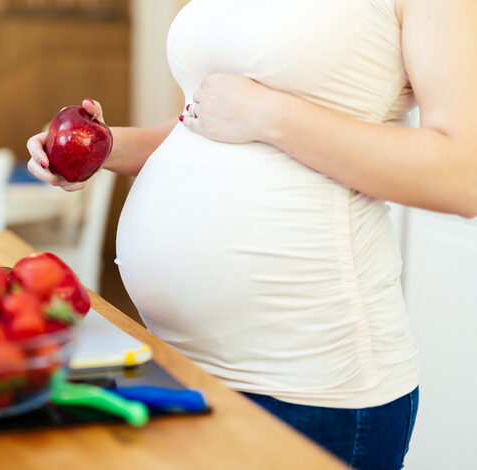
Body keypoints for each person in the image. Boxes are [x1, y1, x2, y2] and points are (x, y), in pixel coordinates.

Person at [26, 0, 477, 468]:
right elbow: (205, 123)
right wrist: (107, 147)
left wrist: (270, 114)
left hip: (306, 392)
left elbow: (461, 176)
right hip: (173, 363)